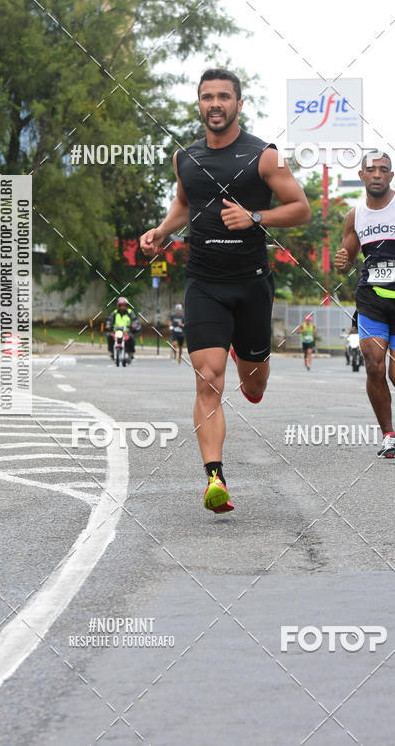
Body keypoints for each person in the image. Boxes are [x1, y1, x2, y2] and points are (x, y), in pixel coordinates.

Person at [140, 68, 310, 513]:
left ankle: (247, 359)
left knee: (254, 386)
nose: (215, 104)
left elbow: (301, 208)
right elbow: (184, 202)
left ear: (239, 103)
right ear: (198, 104)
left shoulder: (265, 156)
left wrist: (255, 217)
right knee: (207, 378)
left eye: (223, 97)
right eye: (206, 97)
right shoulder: (185, 159)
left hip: (251, 284)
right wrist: (161, 231)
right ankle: (215, 478)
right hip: (204, 282)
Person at [334, 150, 395, 458]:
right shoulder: (356, 215)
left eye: (384, 170)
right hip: (371, 299)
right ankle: (388, 435)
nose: (378, 174)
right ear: (362, 176)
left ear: (391, 176)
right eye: (372, 170)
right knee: (373, 365)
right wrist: (342, 262)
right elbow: (346, 260)